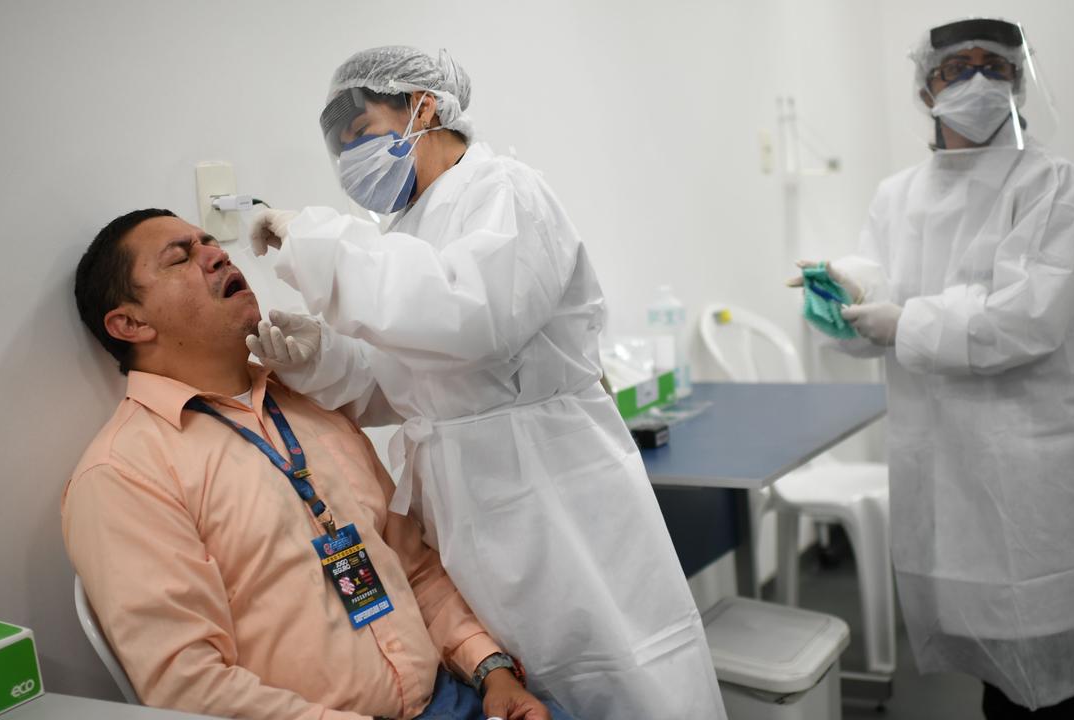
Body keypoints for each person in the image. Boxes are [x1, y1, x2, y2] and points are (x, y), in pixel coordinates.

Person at [243, 46, 726, 720]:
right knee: (529, 683)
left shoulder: (505, 192)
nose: (353, 157)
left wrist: (318, 241)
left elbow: (474, 318)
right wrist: (320, 359)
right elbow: (410, 387)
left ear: (423, 106)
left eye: (362, 131)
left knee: (622, 674)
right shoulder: (408, 227)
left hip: (552, 491)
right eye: (342, 145)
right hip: (471, 504)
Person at [65, 208, 575, 720]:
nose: (216, 254)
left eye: (208, 242)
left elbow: (415, 570)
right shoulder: (123, 474)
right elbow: (188, 685)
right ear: (130, 323)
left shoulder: (308, 403)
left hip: (451, 697)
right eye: (181, 257)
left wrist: (494, 673)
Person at [789, 17, 1074, 719]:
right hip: (948, 470)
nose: (978, 82)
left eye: (996, 67)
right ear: (926, 87)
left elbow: (1027, 319)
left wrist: (905, 320)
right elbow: (881, 317)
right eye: (958, 68)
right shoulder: (898, 197)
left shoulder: (1054, 187)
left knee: (1046, 682)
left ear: (1019, 81)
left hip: (1036, 472)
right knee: (995, 677)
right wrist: (842, 300)